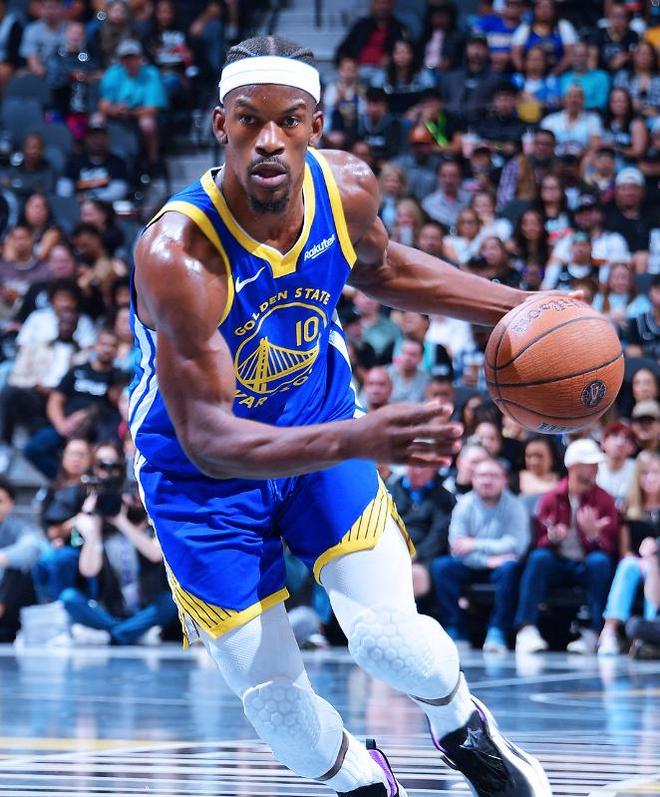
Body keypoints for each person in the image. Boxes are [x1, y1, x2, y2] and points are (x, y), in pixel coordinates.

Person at [132, 34, 554, 796]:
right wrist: (362, 435)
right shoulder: (178, 254)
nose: (269, 139)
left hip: (317, 420)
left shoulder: (347, 188)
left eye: (289, 120)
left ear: (316, 126)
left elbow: (383, 267)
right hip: (199, 476)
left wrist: (524, 307)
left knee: (393, 642)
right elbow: (210, 439)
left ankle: (465, 727)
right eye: (249, 119)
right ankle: (367, 783)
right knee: (277, 704)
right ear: (220, 124)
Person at [514, 439, 619, 655]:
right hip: (558, 563)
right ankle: (526, 628)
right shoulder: (551, 497)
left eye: (596, 465)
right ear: (574, 467)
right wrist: (552, 538)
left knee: (600, 562)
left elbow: (611, 547)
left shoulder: (604, 499)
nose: (595, 469)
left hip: (586, 564)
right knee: (539, 558)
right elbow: (539, 540)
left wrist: (594, 537)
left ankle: (595, 632)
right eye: (590, 465)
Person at [433, 457, 529, 653]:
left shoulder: (515, 506)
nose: (487, 480)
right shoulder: (464, 505)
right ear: (473, 479)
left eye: (493, 476)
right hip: (472, 564)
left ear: (504, 479)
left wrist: (475, 544)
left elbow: (516, 545)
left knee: (511, 569)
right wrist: (487, 560)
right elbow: (457, 546)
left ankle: (497, 631)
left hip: (500, 567)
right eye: (482, 475)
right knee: (441, 567)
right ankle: (456, 629)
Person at [598, 451, 660, 656]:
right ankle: (609, 630)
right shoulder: (628, 508)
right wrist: (640, 559)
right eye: (645, 473)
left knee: (653, 569)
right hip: (636, 562)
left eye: (655, 472)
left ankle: (650, 628)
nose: (650, 478)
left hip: (657, 564)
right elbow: (626, 550)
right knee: (627, 566)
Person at [98, 39, 167, 173]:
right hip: (116, 112)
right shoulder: (112, 73)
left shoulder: (151, 74)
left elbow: (153, 108)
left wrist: (130, 112)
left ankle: (152, 161)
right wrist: (113, 109)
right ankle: (99, 159)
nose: (130, 62)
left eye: (133, 58)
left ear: (140, 58)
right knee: (97, 120)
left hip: (140, 113)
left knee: (147, 124)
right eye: (126, 58)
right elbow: (103, 104)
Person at [389, 464, 455, 602]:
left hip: (424, 557)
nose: (417, 471)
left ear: (433, 469)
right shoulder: (389, 491)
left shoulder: (444, 497)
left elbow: (439, 534)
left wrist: (415, 554)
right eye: (413, 466)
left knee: (414, 576)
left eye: (423, 466)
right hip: (391, 551)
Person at [0, 477, 40, 642]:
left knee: (16, 569)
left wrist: (2, 558)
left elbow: (31, 550)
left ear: (11, 504)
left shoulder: (19, 528)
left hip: (10, 605)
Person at [20, 0, 67, 78]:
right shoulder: (32, 30)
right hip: (41, 73)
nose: (50, 12)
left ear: (61, 8)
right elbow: (32, 60)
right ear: (41, 9)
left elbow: (75, 54)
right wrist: (39, 71)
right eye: (47, 7)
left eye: (54, 7)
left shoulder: (71, 28)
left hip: (65, 72)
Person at [597, 422, 638, 510]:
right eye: (615, 436)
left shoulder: (637, 469)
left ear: (633, 448)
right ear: (603, 442)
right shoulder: (593, 465)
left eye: (627, 438)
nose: (620, 443)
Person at [559, 41, 610, 112]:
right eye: (575, 55)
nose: (578, 59)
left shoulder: (601, 77)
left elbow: (601, 103)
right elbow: (561, 101)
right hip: (566, 116)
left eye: (581, 55)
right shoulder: (564, 78)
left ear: (588, 57)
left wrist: (574, 104)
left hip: (592, 115)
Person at [421, 159, 470, 230]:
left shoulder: (470, 199)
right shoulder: (428, 203)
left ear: (460, 178)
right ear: (438, 178)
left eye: (453, 176)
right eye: (444, 176)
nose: (448, 180)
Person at [387, 337, 429, 404]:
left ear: (421, 358)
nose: (407, 358)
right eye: (404, 353)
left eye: (413, 355)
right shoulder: (385, 374)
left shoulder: (427, 380)